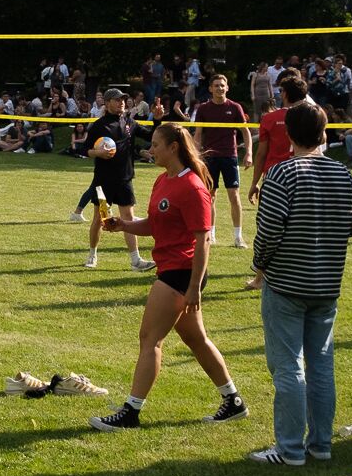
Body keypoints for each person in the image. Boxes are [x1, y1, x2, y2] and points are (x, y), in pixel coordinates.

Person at [90, 124, 245, 431]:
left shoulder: (192, 187)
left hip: (182, 272)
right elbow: (155, 224)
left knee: (150, 339)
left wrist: (194, 287)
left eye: (156, 145)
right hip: (173, 270)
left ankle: (131, 412)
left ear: (174, 147)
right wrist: (124, 225)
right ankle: (233, 401)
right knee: (196, 339)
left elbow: (203, 240)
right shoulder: (163, 180)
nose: (151, 150)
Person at [246, 102, 352, 463]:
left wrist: (259, 265)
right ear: (324, 134)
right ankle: (320, 444)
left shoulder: (282, 173)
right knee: (321, 366)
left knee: (288, 367)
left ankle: (290, 449)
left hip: (286, 284)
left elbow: (268, 231)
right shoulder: (342, 173)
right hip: (326, 284)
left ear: (288, 135)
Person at [77, 87, 151, 272]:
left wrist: (157, 119)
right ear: (108, 102)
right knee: (100, 219)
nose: (122, 103)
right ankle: (92, 255)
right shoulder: (99, 125)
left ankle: (136, 261)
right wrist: (98, 153)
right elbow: (84, 149)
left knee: (129, 218)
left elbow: (150, 134)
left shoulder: (129, 122)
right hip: (104, 182)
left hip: (125, 180)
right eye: (118, 100)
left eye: (123, 100)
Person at [192, 73, 252, 249]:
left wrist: (249, 153)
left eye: (222, 85)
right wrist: (195, 155)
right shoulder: (203, 109)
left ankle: (238, 237)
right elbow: (198, 134)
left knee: (234, 196)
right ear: (210, 88)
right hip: (209, 158)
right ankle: (211, 234)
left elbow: (245, 132)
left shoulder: (235, 107)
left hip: (229, 156)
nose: (219, 88)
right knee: (210, 196)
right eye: (216, 85)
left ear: (227, 88)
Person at [248, 72, 310, 205]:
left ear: (285, 94)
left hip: (274, 175)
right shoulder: (312, 116)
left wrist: (254, 183)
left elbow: (261, 153)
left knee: (271, 215)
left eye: (281, 91)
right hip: (303, 174)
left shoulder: (269, 118)